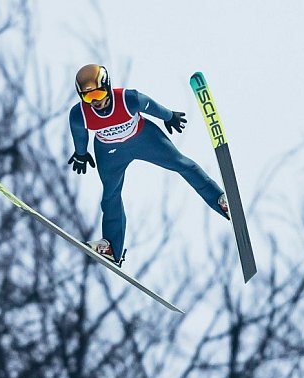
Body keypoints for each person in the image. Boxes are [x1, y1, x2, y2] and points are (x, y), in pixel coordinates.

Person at [68, 64, 230, 267]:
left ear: (107, 87)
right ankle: (111, 248)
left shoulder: (128, 99)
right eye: (88, 98)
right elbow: (80, 133)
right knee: (110, 194)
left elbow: (151, 106)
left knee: (181, 164)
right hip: (110, 152)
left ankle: (221, 201)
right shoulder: (79, 114)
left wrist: (169, 116)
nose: (96, 101)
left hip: (144, 138)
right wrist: (81, 153)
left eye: (99, 94)